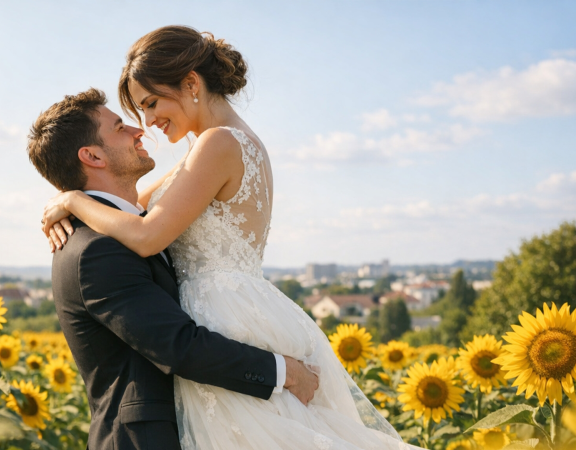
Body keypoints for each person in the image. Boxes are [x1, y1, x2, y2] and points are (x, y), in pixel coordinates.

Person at [41, 26, 424, 450]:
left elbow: (146, 233)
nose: (147, 122)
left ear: (191, 83)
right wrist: (76, 195)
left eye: (150, 103)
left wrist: (74, 200)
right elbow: (128, 207)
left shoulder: (218, 144)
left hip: (224, 315)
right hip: (233, 311)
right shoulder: (208, 150)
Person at [27, 88, 319, 450]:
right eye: (120, 127)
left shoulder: (134, 225)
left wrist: (72, 199)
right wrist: (285, 372)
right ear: (92, 156)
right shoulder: (95, 251)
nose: (139, 129)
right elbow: (178, 346)